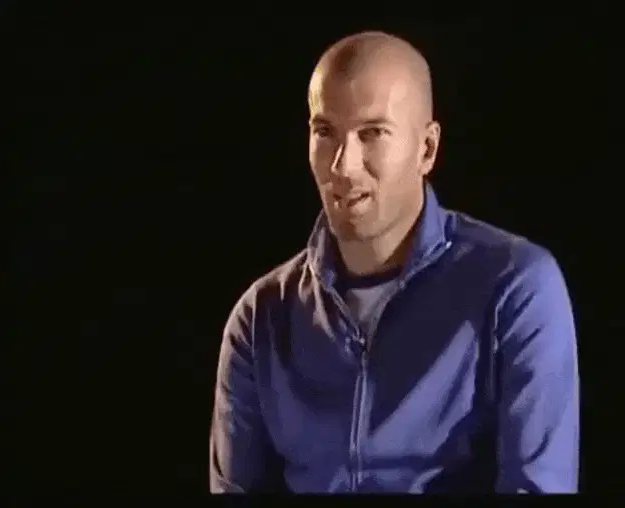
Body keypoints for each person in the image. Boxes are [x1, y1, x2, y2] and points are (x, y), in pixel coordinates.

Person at [209, 30, 580, 493]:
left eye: (372, 133)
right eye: (325, 132)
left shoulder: (516, 287)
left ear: (427, 149)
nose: (343, 166)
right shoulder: (260, 317)